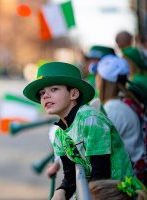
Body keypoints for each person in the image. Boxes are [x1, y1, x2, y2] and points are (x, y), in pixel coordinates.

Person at [23, 62, 134, 200]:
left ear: (74, 93)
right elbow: (70, 176)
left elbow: (100, 174)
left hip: (118, 192)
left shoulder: (91, 120)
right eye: (42, 93)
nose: (45, 96)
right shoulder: (59, 134)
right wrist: (61, 191)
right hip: (93, 190)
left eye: (54, 89)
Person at [93, 55, 147, 184]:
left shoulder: (113, 108)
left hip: (129, 179)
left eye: (97, 74)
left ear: (103, 80)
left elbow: (98, 145)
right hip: (135, 172)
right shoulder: (124, 100)